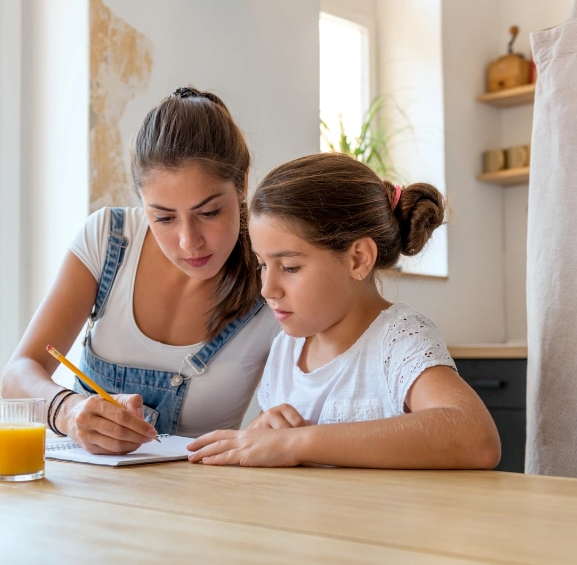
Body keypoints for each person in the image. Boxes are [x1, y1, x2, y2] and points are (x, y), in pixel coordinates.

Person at [2, 87, 281, 455]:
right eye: (163, 218)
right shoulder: (108, 239)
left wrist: (276, 430)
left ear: (242, 184)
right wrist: (68, 411)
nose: (188, 242)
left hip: (201, 502)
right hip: (84, 498)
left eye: (209, 213)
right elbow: (17, 374)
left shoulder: (275, 276)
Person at [187, 153, 501, 469]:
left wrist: (298, 443)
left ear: (358, 259)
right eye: (263, 265)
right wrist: (263, 431)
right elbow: (276, 448)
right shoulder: (286, 348)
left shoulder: (398, 340)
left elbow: (477, 439)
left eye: (291, 267)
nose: (268, 289)